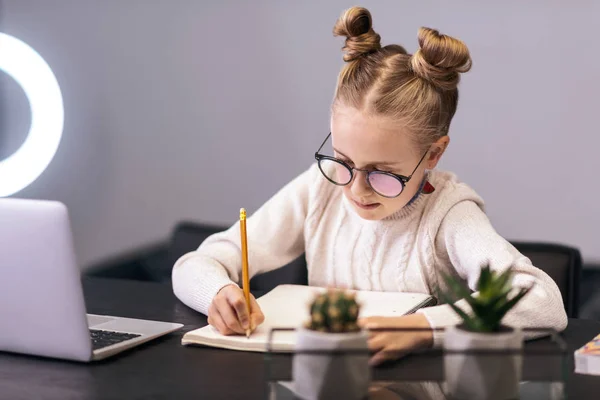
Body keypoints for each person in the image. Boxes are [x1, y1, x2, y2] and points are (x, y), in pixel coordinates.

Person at [172, 6, 567, 366]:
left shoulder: (448, 214)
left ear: (433, 155)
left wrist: (425, 328)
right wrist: (218, 293)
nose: (357, 190)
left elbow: (543, 302)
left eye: (381, 173)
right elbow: (192, 265)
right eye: (342, 162)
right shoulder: (320, 190)